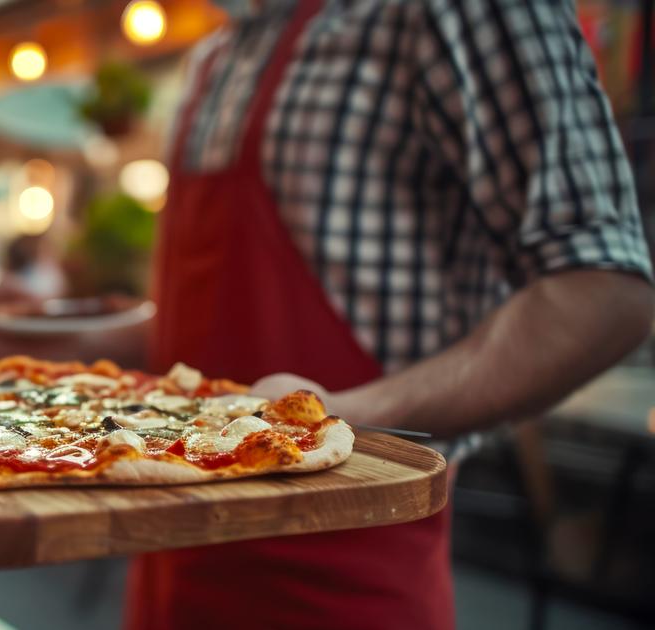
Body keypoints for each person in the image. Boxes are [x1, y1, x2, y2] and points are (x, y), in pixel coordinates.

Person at [127, 1, 655, 629]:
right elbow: (211, 311)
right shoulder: (217, 50)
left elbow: (603, 293)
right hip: (166, 571)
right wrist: (75, 338)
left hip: (341, 579)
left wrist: (331, 420)